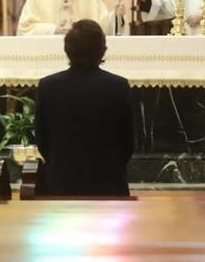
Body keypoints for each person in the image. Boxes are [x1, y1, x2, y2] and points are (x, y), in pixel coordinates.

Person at [34, 20, 134, 196]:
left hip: (61, 182)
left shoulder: (48, 86)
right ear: (102, 49)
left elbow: (42, 140)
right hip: (109, 182)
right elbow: (128, 142)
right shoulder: (118, 86)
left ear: (67, 50)